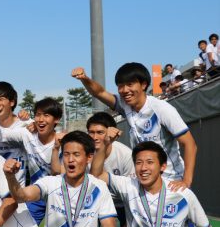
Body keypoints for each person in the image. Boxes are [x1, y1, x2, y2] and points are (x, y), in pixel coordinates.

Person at [72, 63, 197, 192]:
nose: (125, 90)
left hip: (171, 182)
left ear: (143, 85)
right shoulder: (125, 105)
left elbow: (189, 144)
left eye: (130, 84)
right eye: (120, 86)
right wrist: (84, 78)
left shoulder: (162, 108)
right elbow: (99, 92)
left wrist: (186, 181)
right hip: (145, 182)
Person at [0, 96, 62, 224]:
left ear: (56, 119)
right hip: (36, 196)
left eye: (46, 115)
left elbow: (59, 173)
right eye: (38, 115)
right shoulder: (26, 134)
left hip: (60, 197)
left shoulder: (63, 141)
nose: (41, 119)